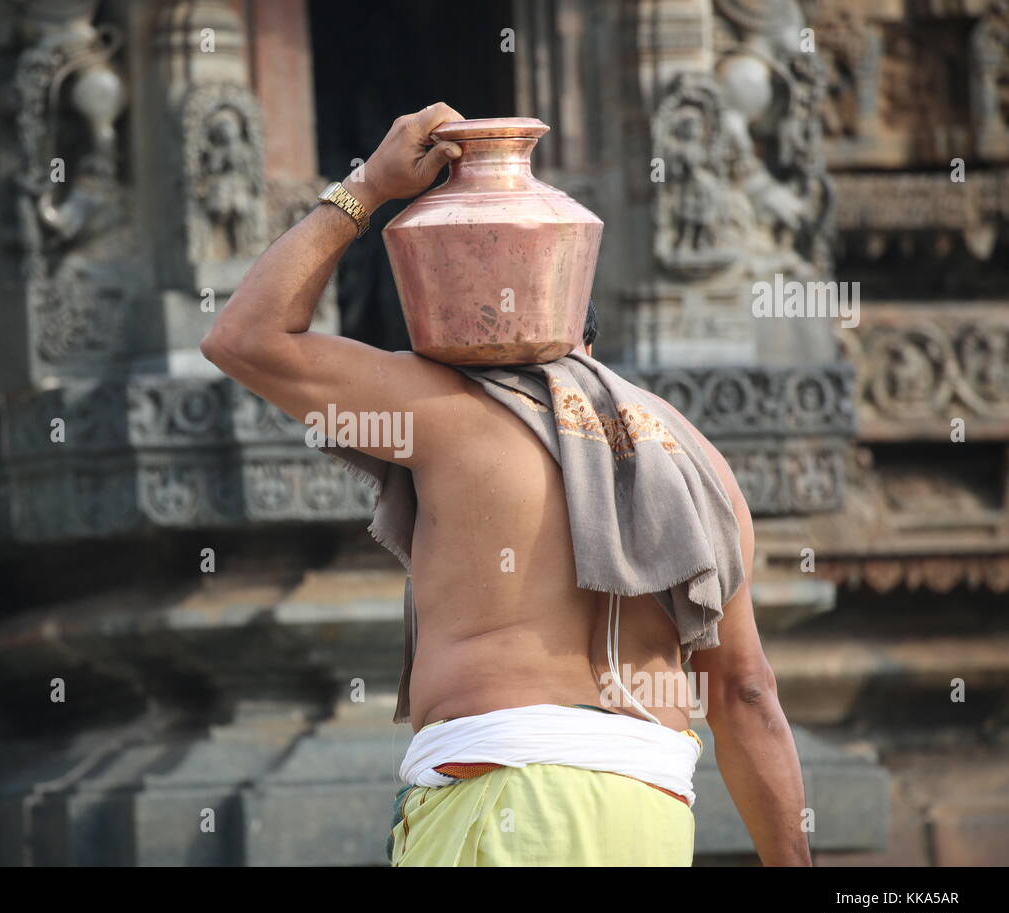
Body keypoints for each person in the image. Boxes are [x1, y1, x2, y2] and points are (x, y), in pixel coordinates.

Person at [200, 102, 811, 867]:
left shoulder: (446, 407)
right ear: (586, 333)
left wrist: (368, 186)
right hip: (649, 816)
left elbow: (243, 337)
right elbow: (748, 696)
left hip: (507, 805)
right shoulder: (698, 462)